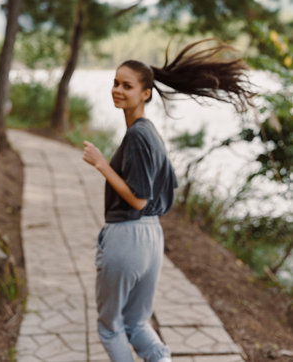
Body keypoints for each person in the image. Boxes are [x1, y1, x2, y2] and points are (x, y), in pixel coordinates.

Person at [82, 39, 254, 362]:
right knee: (135, 322)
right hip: (151, 238)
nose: (117, 90)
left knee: (110, 326)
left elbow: (138, 199)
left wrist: (101, 163)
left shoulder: (137, 136)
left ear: (145, 93)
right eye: (115, 83)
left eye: (127, 86)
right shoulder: (151, 134)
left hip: (128, 236)